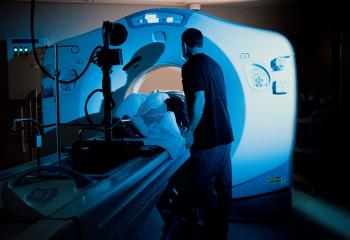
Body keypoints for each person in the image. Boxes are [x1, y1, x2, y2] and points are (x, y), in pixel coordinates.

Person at [181, 28, 234, 239]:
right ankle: (222, 228)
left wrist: (190, 131)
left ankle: (214, 231)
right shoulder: (215, 65)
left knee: (199, 183)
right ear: (201, 43)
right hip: (225, 135)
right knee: (223, 185)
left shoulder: (190, 66)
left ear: (185, 45)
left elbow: (200, 99)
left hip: (208, 137)